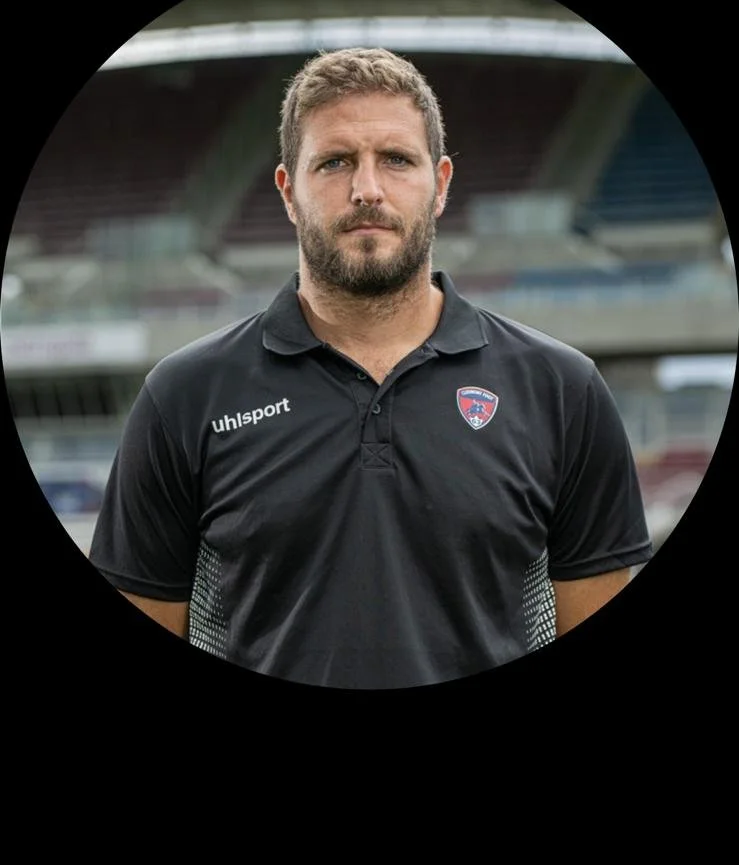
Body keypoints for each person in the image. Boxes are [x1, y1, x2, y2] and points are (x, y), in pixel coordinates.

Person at [89, 47, 653, 688]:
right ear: (288, 192)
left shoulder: (563, 389)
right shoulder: (183, 395)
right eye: (334, 162)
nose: (367, 189)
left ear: (440, 184)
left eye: (396, 159)